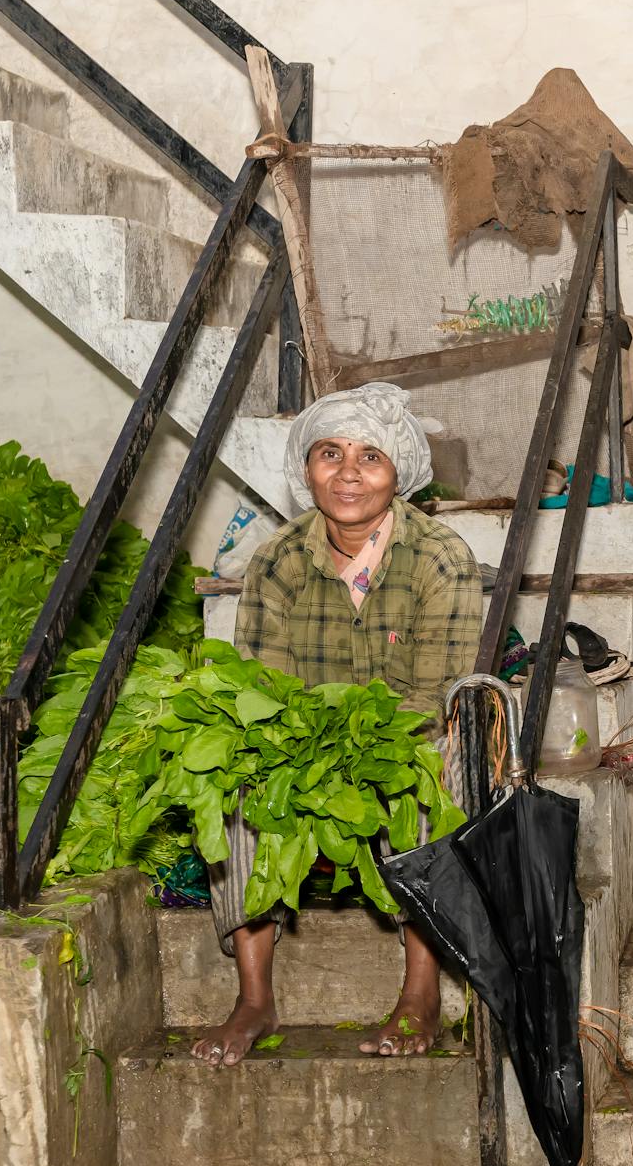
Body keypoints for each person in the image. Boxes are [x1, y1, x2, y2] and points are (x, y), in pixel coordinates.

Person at [192, 383, 481, 1067]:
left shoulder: (442, 559)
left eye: (370, 457)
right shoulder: (277, 561)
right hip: (310, 746)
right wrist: (304, 758)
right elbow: (266, 690)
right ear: (308, 468)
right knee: (234, 783)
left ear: (397, 475)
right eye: (331, 453)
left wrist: (351, 758)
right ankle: (255, 998)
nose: (349, 473)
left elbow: (431, 696)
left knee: (431, 774)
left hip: (399, 740)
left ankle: (421, 993)